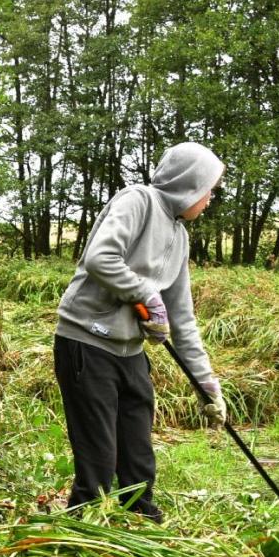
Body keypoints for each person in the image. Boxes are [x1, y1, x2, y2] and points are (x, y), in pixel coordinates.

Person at [53, 142, 228, 522]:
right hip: (86, 342)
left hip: (130, 351)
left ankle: (141, 522)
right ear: (190, 185)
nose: (210, 199)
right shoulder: (138, 201)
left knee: (138, 455)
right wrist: (146, 294)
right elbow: (100, 258)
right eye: (209, 189)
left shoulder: (180, 237)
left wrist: (206, 385)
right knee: (99, 458)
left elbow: (182, 317)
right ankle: (83, 528)